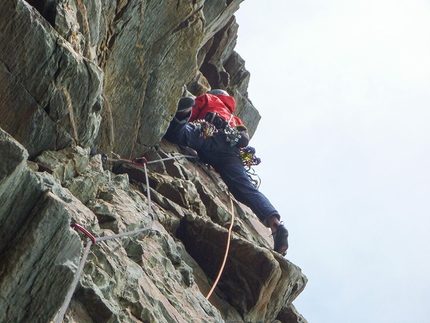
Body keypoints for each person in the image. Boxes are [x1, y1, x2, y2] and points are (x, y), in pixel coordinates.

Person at [164, 89, 289, 255]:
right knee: (246, 189)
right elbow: (244, 139)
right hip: (231, 154)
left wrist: (189, 113)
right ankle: (276, 224)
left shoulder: (208, 98)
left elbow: (195, 116)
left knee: (179, 134)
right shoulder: (234, 118)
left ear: (214, 93)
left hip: (207, 136)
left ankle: (181, 114)